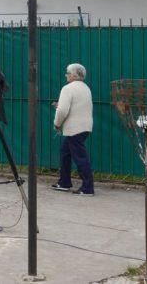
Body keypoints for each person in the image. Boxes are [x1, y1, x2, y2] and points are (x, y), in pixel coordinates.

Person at [51, 63, 95, 196]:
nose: (66, 75)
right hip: (85, 126)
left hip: (74, 128)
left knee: (80, 157)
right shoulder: (85, 88)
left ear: (74, 75)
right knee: (65, 152)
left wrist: (57, 124)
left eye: (68, 73)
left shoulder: (68, 88)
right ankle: (64, 182)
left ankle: (87, 187)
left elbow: (63, 110)